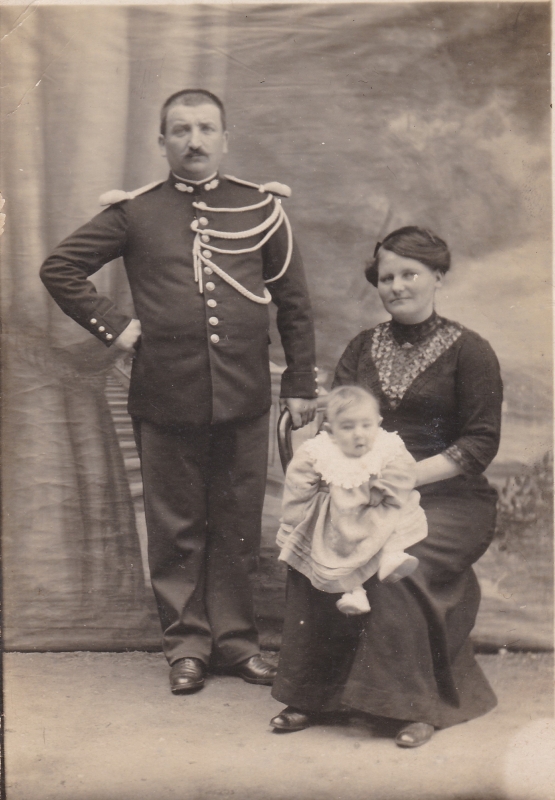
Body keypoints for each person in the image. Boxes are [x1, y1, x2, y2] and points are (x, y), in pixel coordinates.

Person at [40, 89, 318, 694]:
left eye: (206, 129)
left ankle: (238, 644)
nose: (194, 141)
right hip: (166, 394)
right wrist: (117, 327)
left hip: (245, 394)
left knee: (239, 524)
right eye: (181, 130)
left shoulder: (262, 208)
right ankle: (187, 646)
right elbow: (59, 267)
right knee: (176, 527)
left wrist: (300, 381)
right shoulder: (136, 212)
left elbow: (293, 303)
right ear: (161, 141)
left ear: (225, 137)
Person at [270, 226, 503, 748]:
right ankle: (314, 694)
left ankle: (413, 705)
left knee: (397, 563)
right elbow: (338, 419)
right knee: (321, 546)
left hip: (449, 497)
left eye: (410, 274)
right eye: (387, 277)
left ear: (437, 276)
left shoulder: (471, 351)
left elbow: (480, 443)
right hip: (363, 487)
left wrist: (408, 475)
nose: (397, 286)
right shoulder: (362, 347)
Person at [276, 385, 427, 616]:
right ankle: (354, 592)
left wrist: (385, 489)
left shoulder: (385, 445)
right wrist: (295, 517)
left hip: (378, 507)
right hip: (340, 515)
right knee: (337, 545)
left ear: (377, 422)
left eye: (366, 425)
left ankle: (392, 555)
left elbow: (405, 471)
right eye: (347, 427)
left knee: (397, 514)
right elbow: (298, 482)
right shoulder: (319, 450)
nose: (359, 434)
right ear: (330, 430)